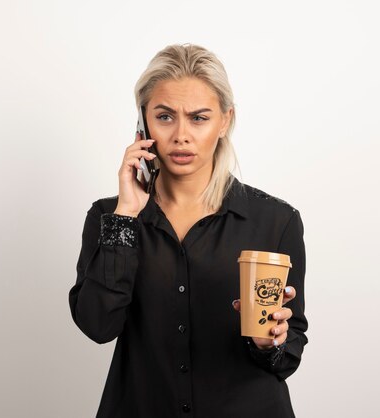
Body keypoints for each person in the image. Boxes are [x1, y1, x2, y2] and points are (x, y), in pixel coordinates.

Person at [68, 44, 308, 418]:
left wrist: (268, 343)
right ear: (143, 122)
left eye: (199, 118)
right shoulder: (110, 217)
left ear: (225, 121)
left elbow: (288, 355)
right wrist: (127, 214)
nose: (181, 135)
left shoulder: (275, 221)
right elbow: (98, 325)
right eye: (165, 117)